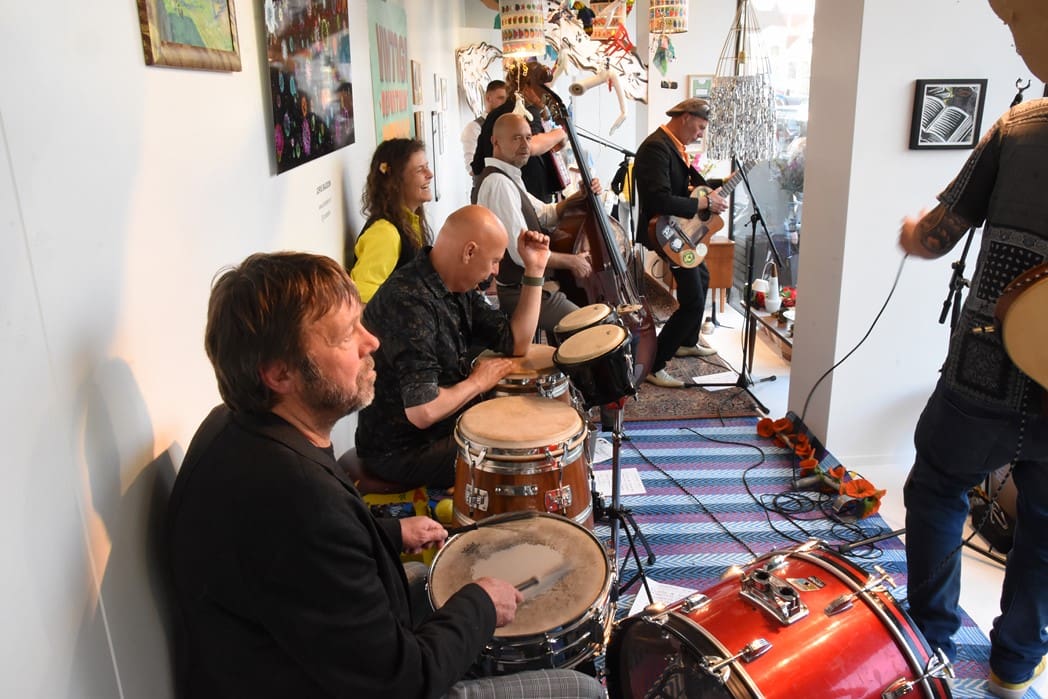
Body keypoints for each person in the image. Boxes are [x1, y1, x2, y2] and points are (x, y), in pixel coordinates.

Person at [166, 251, 601, 699]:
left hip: (305, 654)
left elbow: (300, 562)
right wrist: (481, 606)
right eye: (345, 335)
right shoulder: (297, 498)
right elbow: (403, 683)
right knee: (582, 691)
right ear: (280, 374)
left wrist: (389, 532)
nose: (371, 341)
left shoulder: (236, 426)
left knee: (424, 580)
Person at [898, 96, 1048, 699]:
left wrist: (911, 232)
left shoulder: (1022, 125)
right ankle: (1014, 666)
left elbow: (937, 237)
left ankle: (931, 645)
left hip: (986, 370)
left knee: (938, 489)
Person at [355, 205, 551, 490]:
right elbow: (423, 411)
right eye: (494, 261)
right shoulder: (409, 302)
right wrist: (477, 383)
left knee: (527, 417)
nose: (495, 271)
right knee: (523, 446)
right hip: (402, 452)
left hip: (439, 431)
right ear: (469, 252)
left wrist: (535, 269)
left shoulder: (455, 286)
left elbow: (516, 342)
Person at [474, 112, 602, 335]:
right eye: (516, 138)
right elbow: (522, 253)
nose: (525, 145)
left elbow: (544, 214)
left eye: (528, 137)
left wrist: (579, 196)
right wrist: (572, 262)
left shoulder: (507, 177)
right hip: (521, 291)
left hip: (532, 285)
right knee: (592, 330)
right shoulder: (498, 184)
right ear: (495, 142)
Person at [634, 97, 723, 388]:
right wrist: (705, 203)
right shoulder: (656, 148)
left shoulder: (673, 146)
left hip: (676, 232)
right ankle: (654, 363)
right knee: (693, 300)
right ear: (685, 117)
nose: (700, 134)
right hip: (665, 235)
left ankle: (687, 341)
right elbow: (659, 199)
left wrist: (718, 186)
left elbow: (682, 187)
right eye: (700, 127)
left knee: (703, 277)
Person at [471, 60, 568, 203]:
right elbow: (531, 145)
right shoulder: (528, 111)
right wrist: (560, 133)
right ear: (527, 87)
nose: (547, 96)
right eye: (544, 90)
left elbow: (477, 166)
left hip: (498, 194)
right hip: (526, 196)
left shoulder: (493, 115)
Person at [350, 138, 434, 302]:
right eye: (420, 170)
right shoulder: (385, 233)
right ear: (395, 182)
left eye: (427, 166)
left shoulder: (409, 223)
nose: (430, 174)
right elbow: (362, 297)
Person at [461, 79, 509, 176]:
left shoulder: (507, 124)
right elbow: (472, 169)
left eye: (506, 99)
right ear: (488, 98)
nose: (505, 103)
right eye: (501, 98)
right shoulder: (473, 127)